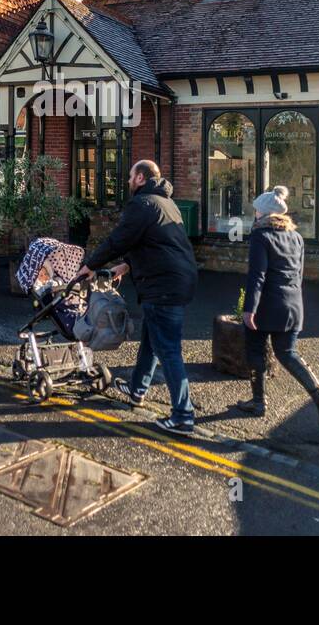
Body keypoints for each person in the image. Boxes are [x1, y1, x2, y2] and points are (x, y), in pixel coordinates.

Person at [77, 159, 199, 435]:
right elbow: (157, 243)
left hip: (163, 285)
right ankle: (136, 389)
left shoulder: (142, 204)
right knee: (152, 341)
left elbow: (119, 240)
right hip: (177, 281)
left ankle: (183, 415)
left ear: (141, 178)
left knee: (168, 349)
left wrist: (90, 266)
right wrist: (127, 265)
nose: (128, 181)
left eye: (131, 175)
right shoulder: (166, 204)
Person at [237, 186, 319, 428]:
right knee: (287, 353)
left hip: (266, 306)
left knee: (255, 351)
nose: (255, 215)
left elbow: (257, 276)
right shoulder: (296, 237)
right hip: (292, 305)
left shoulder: (261, 236)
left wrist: (249, 308)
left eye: (257, 211)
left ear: (265, 213)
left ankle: (259, 402)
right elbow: (299, 275)